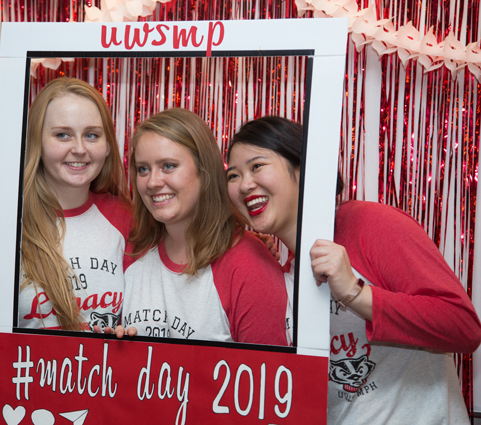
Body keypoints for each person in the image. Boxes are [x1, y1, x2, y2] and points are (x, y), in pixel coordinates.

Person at [225, 115, 481, 424]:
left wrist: (357, 295)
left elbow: (463, 327)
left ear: (301, 168)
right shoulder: (283, 275)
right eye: (233, 176)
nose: (245, 184)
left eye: (257, 166)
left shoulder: (369, 224)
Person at [0, 77, 132, 424]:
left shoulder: (126, 220)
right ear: (36, 141)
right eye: (62, 134)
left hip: (89, 409)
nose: (79, 148)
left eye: (92, 135)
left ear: (108, 146)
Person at [120, 108, 288, 345]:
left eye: (168, 166)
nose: (153, 182)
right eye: (143, 169)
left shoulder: (248, 266)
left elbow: (266, 376)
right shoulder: (132, 253)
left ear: (204, 171)